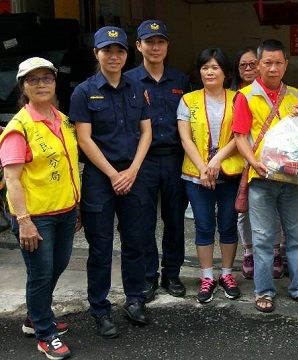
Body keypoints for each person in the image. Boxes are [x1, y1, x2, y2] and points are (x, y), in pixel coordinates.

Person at [69, 26, 152, 338]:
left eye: (119, 50)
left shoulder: (135, 87)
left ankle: (134, 300)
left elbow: (147, 132)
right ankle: (100, 309)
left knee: (134, 242)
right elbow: (85, 139)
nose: (114, 56)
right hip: (100, 178)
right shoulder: (83, 91)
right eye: (107, 50)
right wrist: (114, 174)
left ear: (127, 54)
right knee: (101, 247)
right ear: (96, 54)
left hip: (132, 174)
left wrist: (131, 170)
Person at [0, 57, 80, 360]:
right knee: (41, 274)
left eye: (47, 78)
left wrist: (77, 205)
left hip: (65, 209)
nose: (42, 84)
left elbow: (70, 166)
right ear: (23, 87)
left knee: (55, 268)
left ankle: (36, 316)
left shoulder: (62, 119)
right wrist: (24, 221)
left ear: (55, 82)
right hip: (36, 217)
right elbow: (12, 179)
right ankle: (44, 333)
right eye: (34, 80)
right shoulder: (19, 128)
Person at [232, 39, 298, 314]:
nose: (272, 68)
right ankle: (264, 290)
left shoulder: (295, 95)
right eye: (267, 63)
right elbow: (239, 136)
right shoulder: (245, 96)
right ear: (258, 65)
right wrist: (254, 162)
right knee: (263, 238)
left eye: (278, 62)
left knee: (296, 236)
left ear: (286, 65)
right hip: (261, 179)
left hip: (290, 179)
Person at [125, 19, 189, 302]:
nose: (155, 47)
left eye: (160, 41)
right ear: (138, 46)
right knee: (144, 221)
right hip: (144, 160)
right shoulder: (128, 81)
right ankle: (149, 276)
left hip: (175, 158)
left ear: (167, 46)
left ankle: (172, 273)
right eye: (149, 42)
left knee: (174, 218)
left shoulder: (181, 80)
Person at [178, 47, 245, 303]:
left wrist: (216, 160)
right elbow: (185, 138)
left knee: (228, 225)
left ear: (225, 72)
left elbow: (241, 135)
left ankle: (227, 274)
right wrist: (204, 168)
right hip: (197, 176)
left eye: (215, 67)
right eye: (205, 67)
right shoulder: (187, 100)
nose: (209, 72)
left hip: (228, 173)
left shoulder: (238, 99)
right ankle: (207, 277)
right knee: (204, 226)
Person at [229, 46, 284, 280]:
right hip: (241, 163)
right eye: (244, 65)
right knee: (244, 210)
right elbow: (236, 134)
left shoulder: (282, 93)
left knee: (275, 211)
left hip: (272, 163)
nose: (249, 68)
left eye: (253, 63)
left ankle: (275, 251)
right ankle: (249, 251)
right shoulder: (236, 94)